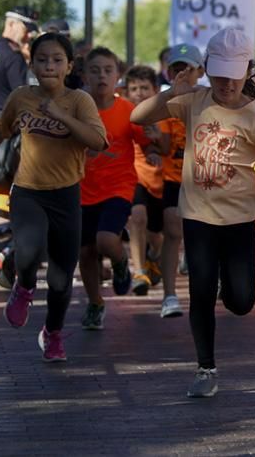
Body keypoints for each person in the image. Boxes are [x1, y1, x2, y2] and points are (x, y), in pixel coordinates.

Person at [132, 28, 255, 398]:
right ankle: (206, 368)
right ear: (206, 68)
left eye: (234, 75)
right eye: (218, 73)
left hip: (239, 218)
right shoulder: (195, 101)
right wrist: (172, 92)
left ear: (247, 71)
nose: (225, 83)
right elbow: (139, 118)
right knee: (200, 292)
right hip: (198, 214)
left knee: (241, 302)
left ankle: (228, 287)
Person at [0, 32, 108, 363]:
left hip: (67, 196)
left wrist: (61, 116)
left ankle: (52, 334)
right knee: (28, 251)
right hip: (28, 191)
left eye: (57, 60)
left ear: (69, 66)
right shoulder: (21, 97)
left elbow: (98, 142)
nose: (49, 66)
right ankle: (23, 286)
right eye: (42, 59)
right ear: (32, 64)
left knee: (60, 279)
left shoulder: (79, 101)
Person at [78, 47, 157, 330]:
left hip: (118, 187)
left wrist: (154, 147)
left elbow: (148, 144)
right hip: (82, 189)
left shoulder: (127, 110)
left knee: (105, 240)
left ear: (118, 76)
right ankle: (95, 302)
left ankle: (122, 262)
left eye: (108, 70)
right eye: (95, 70)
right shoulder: (77, 106)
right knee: (86, 252)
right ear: (84, 74)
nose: (101, 76)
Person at [154, 44, 203, 319]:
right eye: (176, 68)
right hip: (174, 176)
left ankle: (205, 285)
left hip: (204, 178)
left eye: (188, 68)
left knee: (201, 235)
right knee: (172, 230)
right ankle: (169, 295)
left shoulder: (208, 98)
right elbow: (162, 144)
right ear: (167, 71)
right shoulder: (164, 101)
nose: (181, 73)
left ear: (200, 71)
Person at [123, 65, 168, 295]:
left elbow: (171, 147)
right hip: (135, 177)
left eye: (144, 88)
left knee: (157, 235)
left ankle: (153, 256)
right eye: (133, 88)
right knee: (137, 218)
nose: (139, 93)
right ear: (126, 91)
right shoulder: (125, 115)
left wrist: (158, 142)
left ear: (156, 89)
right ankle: (139, 272)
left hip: (162, 181)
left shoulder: (166, 114)